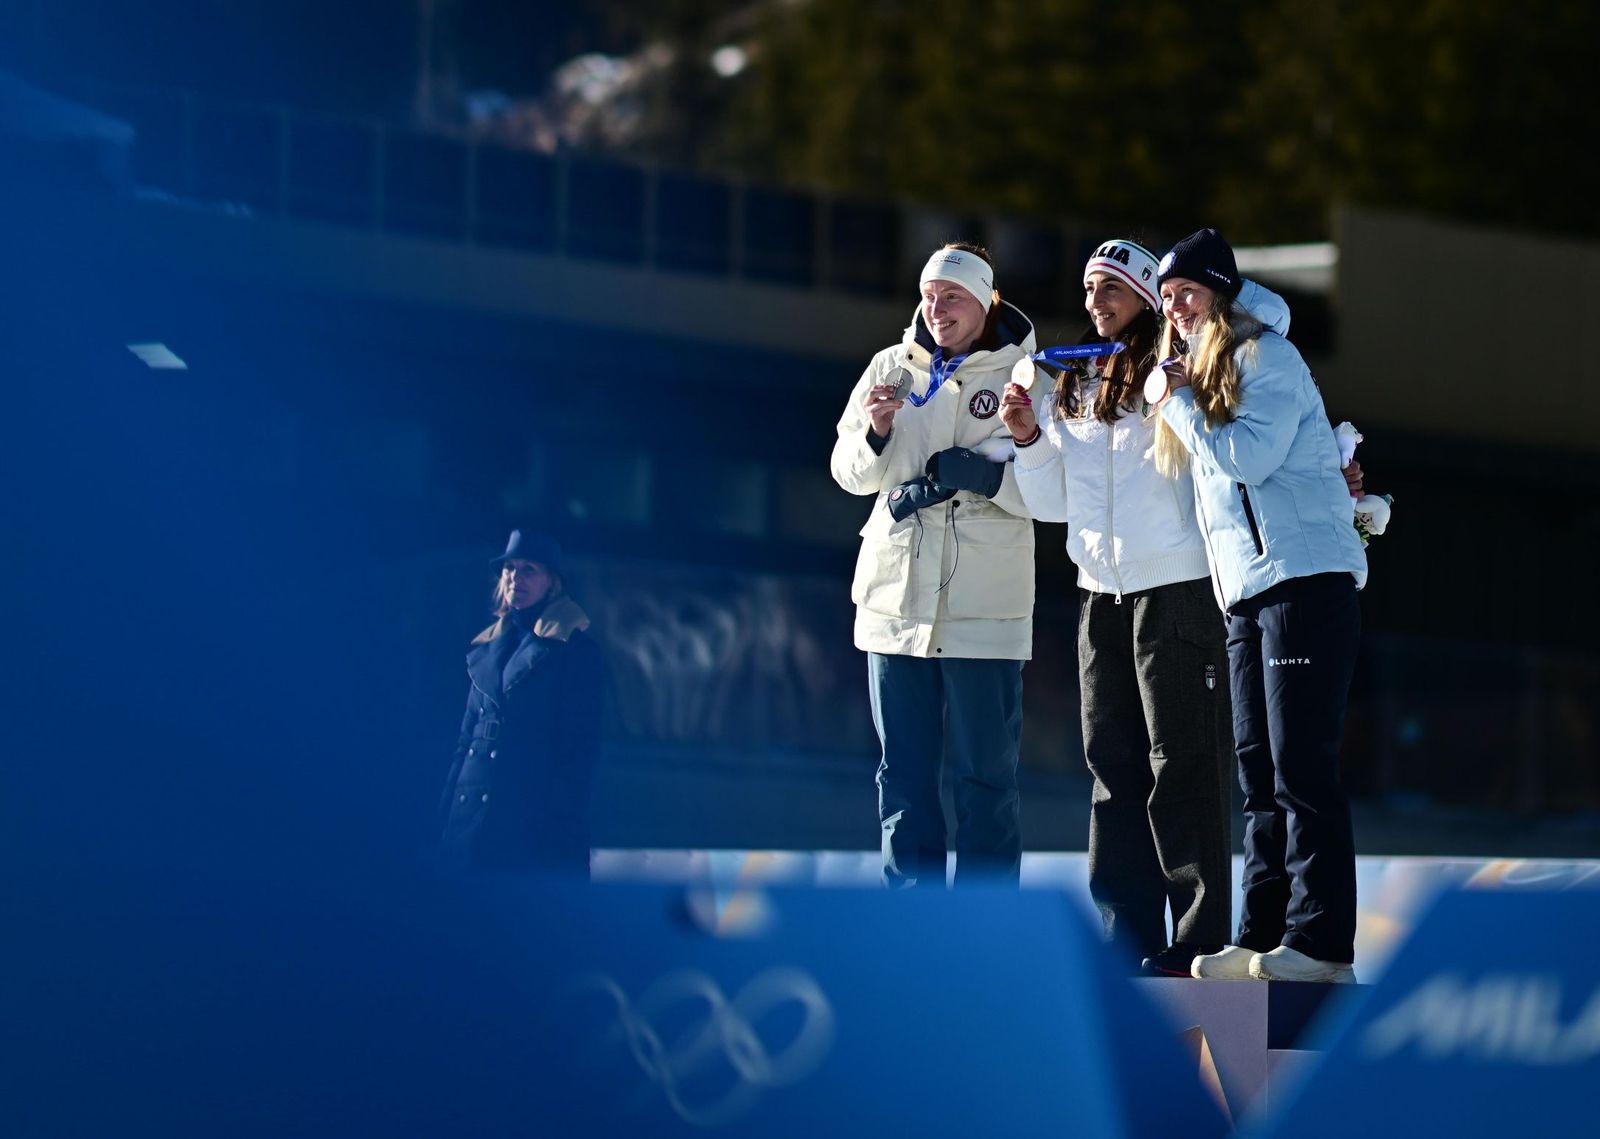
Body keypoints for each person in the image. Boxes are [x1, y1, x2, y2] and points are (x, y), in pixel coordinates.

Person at [999, 238, 1234, 975]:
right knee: (1113, 769)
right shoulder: (1074, 381)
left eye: (1114, 288)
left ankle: (1198, 939)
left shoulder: (1179, 365)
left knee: (1182, 765)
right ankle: (1123, 937)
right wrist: (1028, 437)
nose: (1097, 301)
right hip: (1099, 597)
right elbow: (1048, 504)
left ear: (1145, 295)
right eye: (1090, 288)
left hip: (1177, 590)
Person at [1150, 228, 1368, 983]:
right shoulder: (1212, 372)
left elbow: (1247, 458)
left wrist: (1177, 402)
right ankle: (1265, 929)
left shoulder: (1266, 356)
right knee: (1259, 770)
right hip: (1247, 592)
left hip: (1303, 581)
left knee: (1301, 764)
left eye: (1188, 292)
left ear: (1222, 293)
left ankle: (1321, 944)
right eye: (1167, 295)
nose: (1174, 306)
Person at [830, 242, 1038, 887]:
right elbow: (847, 473)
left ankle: (985, 933)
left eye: (952, 294)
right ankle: (913, 928)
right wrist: (875, 434)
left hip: (986, 604)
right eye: (928, 293)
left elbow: (1061, 493)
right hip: (896, 601)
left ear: (984, 300)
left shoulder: (1028, 375)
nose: (936, 305)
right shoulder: (891, 367)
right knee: (903, 778)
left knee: (986, 780)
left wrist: (985, 477)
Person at [435, 527, 605, 876]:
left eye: (529, 569)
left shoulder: (574, 651)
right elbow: (466, 740)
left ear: (551, 582)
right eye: (510, 568)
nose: (516, 578)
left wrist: (559, 832)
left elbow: (577, 752)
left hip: (527, 818)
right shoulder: (487, 647)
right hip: (470, 818)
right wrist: (443, 825)